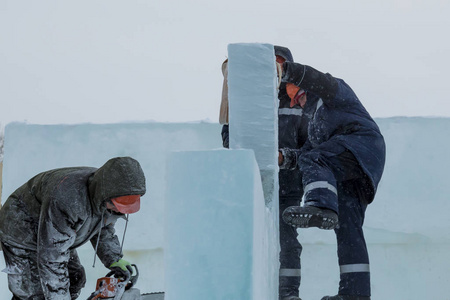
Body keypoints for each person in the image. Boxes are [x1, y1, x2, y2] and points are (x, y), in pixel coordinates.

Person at [278, 61, 386, 300]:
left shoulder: (335, 94)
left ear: (309, 89)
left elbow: (320, 79)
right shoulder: (315, 125)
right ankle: (355, 293)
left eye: (300, 97)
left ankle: (320, 206)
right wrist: (282, 157)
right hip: (354, 170)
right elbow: (306, 154)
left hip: (361, 144)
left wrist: (288, 71)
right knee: (348, 227)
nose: (298, 103)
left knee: (316, 159)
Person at [220, 46, 310, 300]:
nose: (277, 71)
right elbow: (229, 139)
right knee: (245, 241)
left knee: (289, 243)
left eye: (282, 65)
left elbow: (310, 149)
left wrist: (285, 157)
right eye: (272, 65)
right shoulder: (248, 103)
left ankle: (288, 295)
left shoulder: (300, 103)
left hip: (290, 188)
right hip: (251, 187)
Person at [0, 156, 146, 300]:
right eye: (117, 206)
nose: (119, 211)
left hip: (53, 231)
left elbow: (103, 227)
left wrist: (113, 258)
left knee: (75, 278)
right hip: (21, 231)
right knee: (34, 293)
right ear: (106, 196)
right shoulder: (68, 198)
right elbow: (52, 258)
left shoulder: (108, 190)